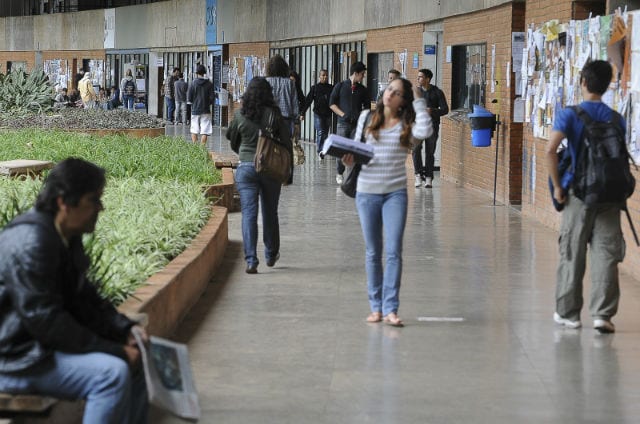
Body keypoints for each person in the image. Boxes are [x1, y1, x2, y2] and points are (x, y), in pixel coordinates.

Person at [0, 158, 149, 423]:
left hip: (37, 349)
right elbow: (45, 320)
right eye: (94, 200)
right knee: (110, 373)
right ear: (64, 202)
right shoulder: (31, 242)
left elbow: (84, 297)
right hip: (16, 358)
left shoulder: (66, 234)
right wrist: (113, 350)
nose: (100, 208)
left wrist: (124, 329)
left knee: (143, 357)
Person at [342, 78, 432, 327]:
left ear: (404, 101)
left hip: (395, 194)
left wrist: (419, 99)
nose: (389, 94)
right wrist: (348, 161)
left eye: (397, 92)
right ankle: (375, 307)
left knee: (393, 251)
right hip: (366, 192)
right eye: (389, 89)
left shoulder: (407, 124)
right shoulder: (366, 118)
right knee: (373, 251)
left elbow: (426, 131)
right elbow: (355, 150)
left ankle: (391, 308)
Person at [546, 60, 625, 334]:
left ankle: (569, 313)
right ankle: (603, 315)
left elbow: (550, 151)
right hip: (611, 195)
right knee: (606, 254)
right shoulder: (616, 118)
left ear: (582, 82)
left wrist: (557, 187)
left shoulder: (570, 115)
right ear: (607, 85)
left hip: (579, 194)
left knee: (573, 251)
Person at [225, 77, 293, 274]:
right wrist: (289, 172)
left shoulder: (239, 114)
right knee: (270, 212)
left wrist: (244, 153)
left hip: (246, 168)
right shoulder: (274, 115)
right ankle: (271, 254)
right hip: (270, 169)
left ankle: (251, 260)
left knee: (249, 213)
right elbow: (287, 144)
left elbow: (231, 137)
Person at [329, 61, 371, 184]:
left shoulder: (363, 90)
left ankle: (352, 176)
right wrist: (343, 115)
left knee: (354, 150)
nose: (363, 76)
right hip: (342, 123)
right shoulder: (340, 86)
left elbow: (367, 107)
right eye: (362, 74)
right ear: (356, 73)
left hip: (357, 125)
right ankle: (339, 172)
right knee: (341, 149)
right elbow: (331, 103)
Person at [412, 68, 448, 188]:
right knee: (416, 150)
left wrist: (432, 110)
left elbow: (445, 109)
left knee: (429, 152)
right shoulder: (416, 92)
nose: (418, 79)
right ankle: (418, 175)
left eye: (420, 77)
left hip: (432, 126)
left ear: (427, 79)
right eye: (418, 77)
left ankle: (428, 177)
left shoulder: (437, 92)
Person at [301, 69, 333, 155]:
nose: (325, 77)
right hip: (318, 114)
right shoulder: (314, 88)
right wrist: (302, 113)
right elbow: (308, 101)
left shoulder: (331, 88)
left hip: (328, 113)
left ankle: (323, 148)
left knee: (325, 133)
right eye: (323, 75)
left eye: (326, 75)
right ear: (319, 77)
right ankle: (320, 150)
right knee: (320, 131)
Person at [265, 55, 299, 136]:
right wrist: (296, 122)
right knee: (283, 146)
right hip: (285, 120)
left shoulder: (266, 82)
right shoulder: (290, 83)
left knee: (269, 144)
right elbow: (295, 104)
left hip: (269, 119)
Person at [186, 64, 215, 145]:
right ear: (204, 73)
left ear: (196, 73)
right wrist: (207, 103)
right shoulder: (209, 83)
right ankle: (202, 148)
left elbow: (189, 98)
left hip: (195, 110)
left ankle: (195, 148)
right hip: (206, 110)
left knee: (194, 129)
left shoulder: (192, 83)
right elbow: (212, 98)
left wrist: (193, 103)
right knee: (205, 130)